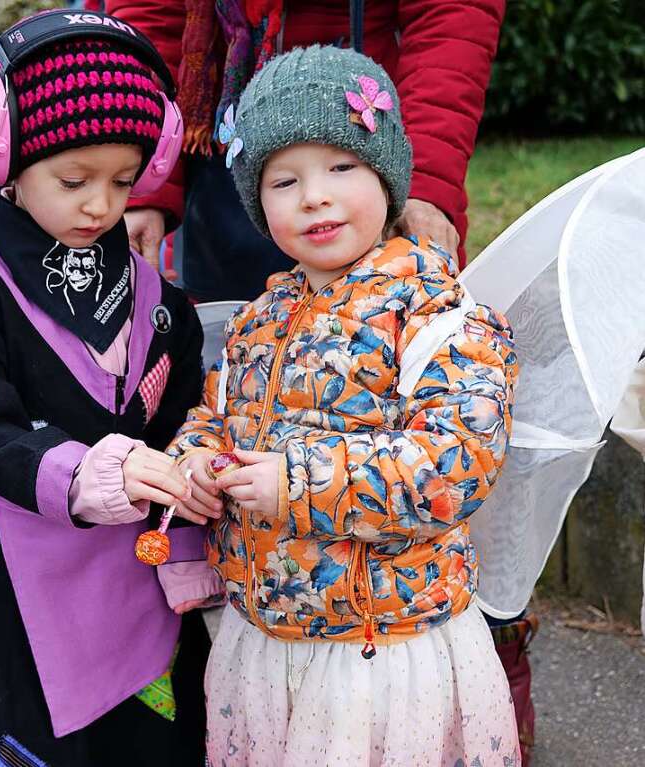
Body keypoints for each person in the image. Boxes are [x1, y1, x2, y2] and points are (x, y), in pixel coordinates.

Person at [167, 46, 521, 764]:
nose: (313, 196)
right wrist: (196, 462)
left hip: (381, 646)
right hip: (264, 636)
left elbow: (450, 466)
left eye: (341, 167)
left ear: (386, 175)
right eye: (282, 180)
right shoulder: (258, 318)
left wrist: (293, 483)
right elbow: (216, 413)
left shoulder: (436, 313)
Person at [0, 10, 215, 764]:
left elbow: (184, 417)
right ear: (0, 157)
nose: (101, 205)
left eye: (124, 180)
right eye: (73, 180)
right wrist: (87, 470)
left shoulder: (161, 300)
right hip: (11, 590)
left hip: (144, 582)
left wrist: (195, 468)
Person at [106, 0, 505, 297]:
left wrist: (423, 186)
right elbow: (153, 17)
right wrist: (144, 185)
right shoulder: (249, 334)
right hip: (222, 163)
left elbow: (452, 19)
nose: (314, 199)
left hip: (369, 137)